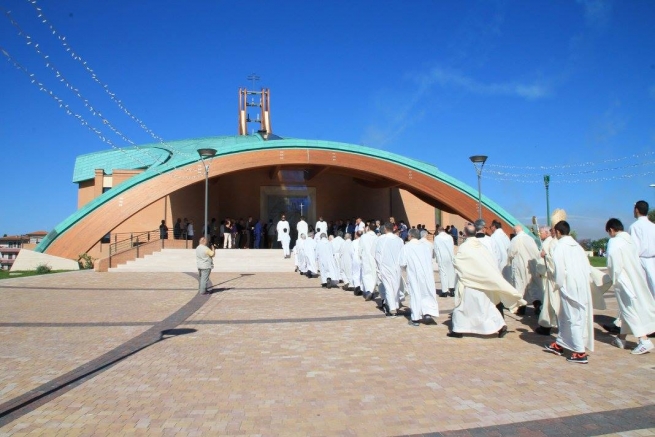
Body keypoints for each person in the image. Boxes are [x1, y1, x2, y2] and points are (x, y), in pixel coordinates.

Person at [449, 224, 523, 338]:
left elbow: (457, 262)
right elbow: (491, 261)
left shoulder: (464, 247)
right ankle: (500, 326)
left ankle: (458, 330)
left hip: (470, 283)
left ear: (465, 233)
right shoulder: (481, 246)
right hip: (483, 282)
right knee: (486, 307)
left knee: (463, 307)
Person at [544, 220, 593, 364]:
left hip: (568, 285)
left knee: (573, 317)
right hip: (581, 284)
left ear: (558, 232)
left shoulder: (559, 247)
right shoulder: (578, 247)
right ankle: (561, 344)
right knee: (565, 316)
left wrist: (558, 285)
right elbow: (587, 267)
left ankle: (579, 352)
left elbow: (559, 269)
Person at [605, 218, 655, 354]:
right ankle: (621, 338)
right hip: (635, 277)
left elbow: (612, 262)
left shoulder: (614, 241)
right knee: (626, 309)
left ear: (611, 230)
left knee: (628, 310)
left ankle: (643, 340)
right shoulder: (630, 241)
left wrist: (612, 277)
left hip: (623, 279)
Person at [399, 228, 440, 326]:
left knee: (416, 294)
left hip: (414, 274)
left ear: (410, 236)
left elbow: (402, 262)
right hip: (427, 274)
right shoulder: (426, 246)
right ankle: (428, 313)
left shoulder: (407, 247)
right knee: (427, 293)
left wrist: (405, 269)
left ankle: (415, 318)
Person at [508, 224, 543, 316]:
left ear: (515, 231)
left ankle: (521, 308)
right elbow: (536, 252)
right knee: (532, 287)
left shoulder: (516, 239)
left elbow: (511, 253)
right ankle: (538, 306)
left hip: (520, 265)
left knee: (520, 286)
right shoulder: (530, 238)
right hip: (531, 265)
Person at [375, 222, 405, 317]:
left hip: (385, 266)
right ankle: (395, 305)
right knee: (396, 286)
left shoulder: (381, 240)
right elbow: (402, 254)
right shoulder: (399, 240)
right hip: (397, 267)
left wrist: (378, 267)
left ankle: (392, 307)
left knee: (388, 287)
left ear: (385, 229)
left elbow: (378, 254)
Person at [535, 225, 559, 336]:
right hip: (551, 274)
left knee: (549, 301)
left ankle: (546, 325)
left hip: (551, 275)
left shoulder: (552, 242)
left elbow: (552, 259)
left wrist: (545, 256)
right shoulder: (553, 242)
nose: (540, 234)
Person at [629, 200, 655, 299]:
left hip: (640, 260)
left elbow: (633, 248)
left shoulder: (634, 227)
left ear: (636, 210)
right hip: (653, 259)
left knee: (642, 289)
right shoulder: (653, 226)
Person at [433, 226, 455, 297]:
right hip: (450, 256)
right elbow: (452, 246)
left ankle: (444, 291)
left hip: (442, 257)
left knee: (443, 274)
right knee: (451, 273)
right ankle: (452, 290)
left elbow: (436, 248)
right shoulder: (450, 237)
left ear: (439, 231)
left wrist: (436, 257)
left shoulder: (437, 238)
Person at [359, 226, 378, 301]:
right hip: (374, 258)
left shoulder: (364, 236)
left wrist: (360, 255)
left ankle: (368, 291)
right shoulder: (376, 237)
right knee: (373, 275)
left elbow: (360, 248)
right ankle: (372, 290)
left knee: (366, 275)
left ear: (368, 228)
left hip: (366, 258)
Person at [351, 231, 363, 295]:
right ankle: (362, 287)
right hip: (362, 258)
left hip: (356, 257)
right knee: (362, 273)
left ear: (356, 235)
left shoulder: (354, 242)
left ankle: (357, 287)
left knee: (355, 273)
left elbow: (351, 252)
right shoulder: (364, 241)